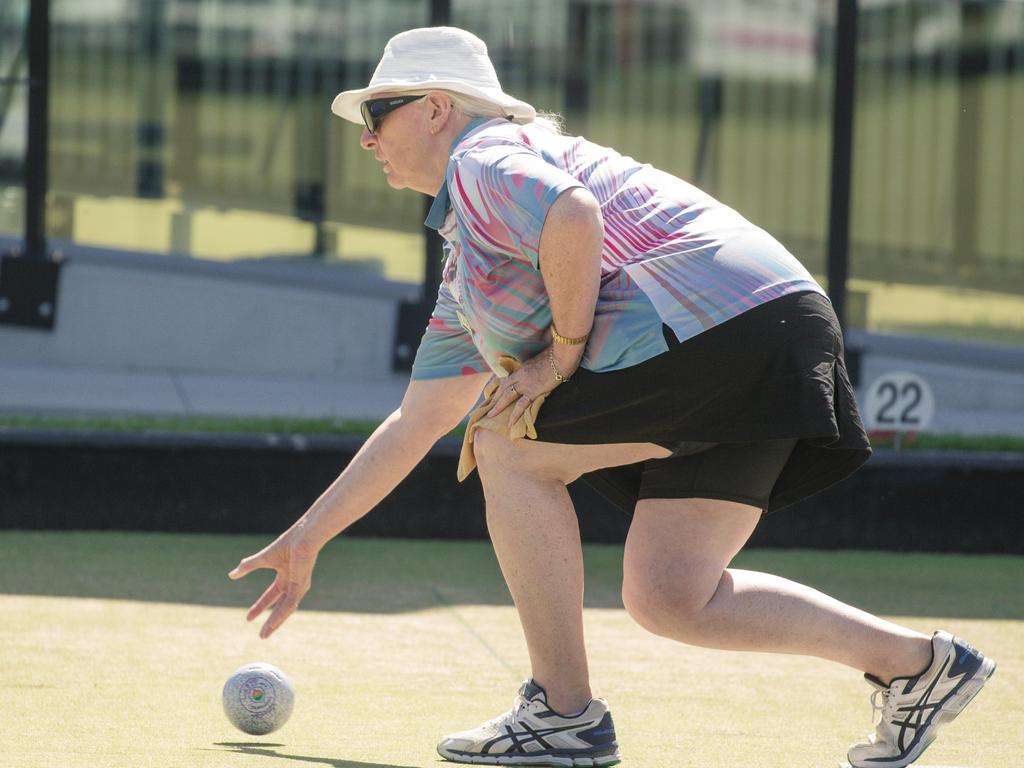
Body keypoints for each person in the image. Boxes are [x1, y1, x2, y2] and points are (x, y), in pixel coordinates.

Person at [228, 27, 995, 768]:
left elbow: (573, 213)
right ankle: (919, 665)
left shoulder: (481, 157)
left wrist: (559, 359)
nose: (366, 138)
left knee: (503, 443)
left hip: (722, 323)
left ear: (436, 108)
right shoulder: (474, 266)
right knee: (670, 596)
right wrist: (308, 536)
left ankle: (562, 714)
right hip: (775, 327)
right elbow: (416, 419)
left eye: (376, 113)